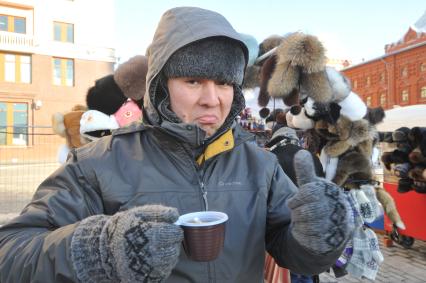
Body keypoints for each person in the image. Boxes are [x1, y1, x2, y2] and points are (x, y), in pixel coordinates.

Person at [0, 7, 353, 283]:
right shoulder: (97, 164)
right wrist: (98, 251)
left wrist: (320, 236)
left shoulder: (259, 165)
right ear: (159, 87)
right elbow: (11, 254)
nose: (212, 99)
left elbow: (297, 253)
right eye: (193, 80)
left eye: (224, 82)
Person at [265, 126, 325, 283]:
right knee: (306, 267)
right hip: (312, 221)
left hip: (283, 226)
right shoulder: (312, 157)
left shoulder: (270, 157)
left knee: (287, 270)